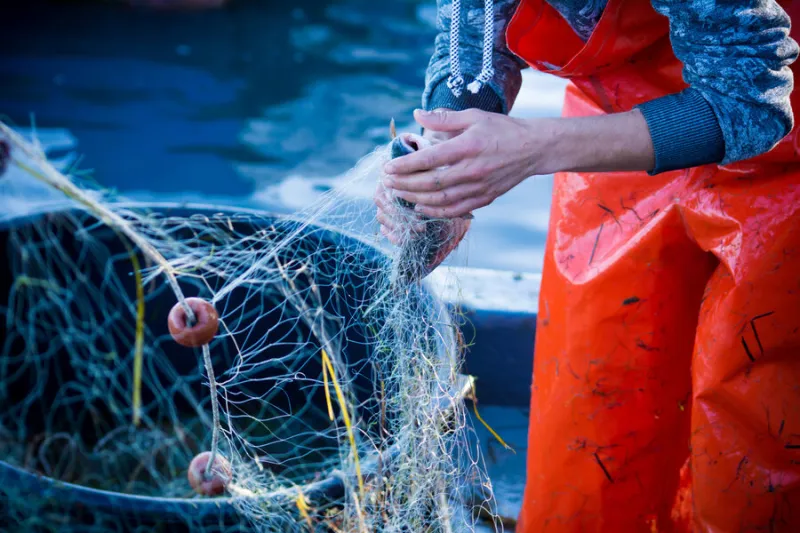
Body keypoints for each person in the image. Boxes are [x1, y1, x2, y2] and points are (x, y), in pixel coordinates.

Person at [375, 0, 800, 531]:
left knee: (752, 448)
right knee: (589, 432)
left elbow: (752, 101)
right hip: (612, 132)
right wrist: (445, 162)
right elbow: (475, 36)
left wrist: (534, 150)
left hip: (782, 161)